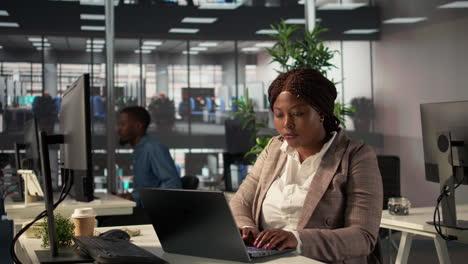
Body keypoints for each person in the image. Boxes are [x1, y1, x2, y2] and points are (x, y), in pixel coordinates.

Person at [229, 68, 383, 264]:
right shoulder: (274, 149)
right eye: (279, 115)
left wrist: (298, 239)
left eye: (297, 114)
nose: (287, 124)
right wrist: (246, 227)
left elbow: (363, 237)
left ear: (321, 113)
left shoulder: (356, 156)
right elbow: (241, 201)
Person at [117, 106, 182, 206]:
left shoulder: (152, 148)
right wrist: (130, 196)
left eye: (123, 125)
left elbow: (173, 186)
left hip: (152, 213)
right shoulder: (139, 150)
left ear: (138, 126)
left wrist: (136, 197)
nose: (119, 129)